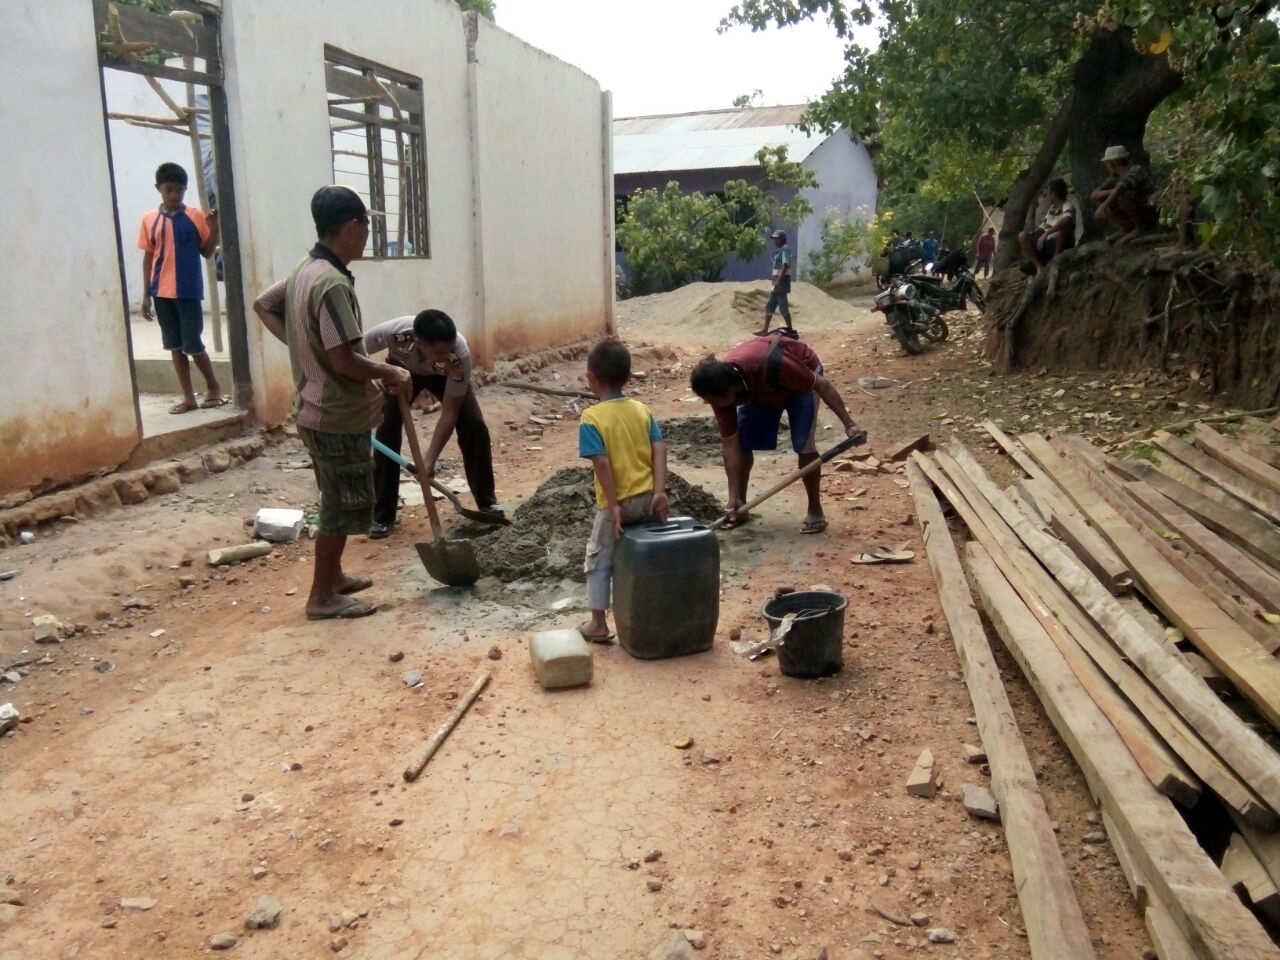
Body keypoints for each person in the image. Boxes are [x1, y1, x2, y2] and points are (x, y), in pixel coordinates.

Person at [252, 185, 412, 620]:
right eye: (365, 225)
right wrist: (389, 371)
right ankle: (321, 596)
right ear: (351, 227)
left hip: (313, 408)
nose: (366, 234)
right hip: (334, 415)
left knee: (335, 496)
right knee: (338, 506)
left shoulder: (306, 269)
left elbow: (263, 304)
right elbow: (344, 359)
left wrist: (303, 347)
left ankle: (335, 577)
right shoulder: (332, 282)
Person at [690, 334, 866, 535]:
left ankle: (815, 510)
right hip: (761, 389)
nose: (709, 405)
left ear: (731, 391)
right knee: (743, 443)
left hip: (801, 379)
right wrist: (733, 496)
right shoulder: (719, 393)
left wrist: (850, 425)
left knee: (803, 443)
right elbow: (730, 445)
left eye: (711, 400)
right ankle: (741, 507)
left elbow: (821, 384)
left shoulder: (776, 364)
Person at [363, 310, 501, 539]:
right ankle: (382, 516)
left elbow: (450, 412)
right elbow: (356, 353)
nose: (444, 356)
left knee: (474, 424)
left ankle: (487, 502)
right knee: (387, 429)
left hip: (443, 376)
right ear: (419, 343)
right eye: (437, 352)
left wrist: (429, 461)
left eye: (447, 351)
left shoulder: (458, 355)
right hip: (402, 370)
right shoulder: (392, 333)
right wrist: (374, 385)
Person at [578, 339, 669, 642]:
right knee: (649, 558)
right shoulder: (642, 410)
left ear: (590, 378)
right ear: (628, 378)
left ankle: (598, 625)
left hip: (618, 506)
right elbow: (659, 448)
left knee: (599, 561)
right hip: (648, 498)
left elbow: (601, 464)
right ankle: (654, 614)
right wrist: (659, 491)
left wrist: (615, 505)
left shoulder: (591, 418)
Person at [137, 162, 224, 414]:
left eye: (179, 190)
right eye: (169, 190)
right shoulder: (150, 220)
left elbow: (207, 252)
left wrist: (215, 228)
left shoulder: (196, 217)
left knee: (193, 344)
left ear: (185, 190)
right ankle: (188, 397)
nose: (174, 195)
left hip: (187, 292)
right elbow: (148, 257)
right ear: (159, 190)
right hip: (161, 293)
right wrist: (146, 294)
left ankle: (214, 388)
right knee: (174, 347)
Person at [1090, 145, 1158, 242]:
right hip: (1136, 212)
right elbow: (1094, 195)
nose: (1106, 167)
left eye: (1107, 164)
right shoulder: (1114, 178)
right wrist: (1110, 192)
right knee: (1105, 197)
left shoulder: (1136, 170)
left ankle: (1139, 227)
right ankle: (1124, 228)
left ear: (1112, 164)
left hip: (1150, 210)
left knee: (1124, 195)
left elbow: (1121, 188)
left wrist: (1104, 205)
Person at [1018, 178, 1076, 275]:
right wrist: (1033, 234)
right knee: (1022, 235)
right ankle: (1038, 267)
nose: (1048, 195)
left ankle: (1055, 262)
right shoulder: (1051, 209)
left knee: (1062, 231)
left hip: (1060, 244)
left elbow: (1067, 220)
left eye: (1049, 192)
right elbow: (1043, 226)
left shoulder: (1067, 205)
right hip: (1046, 244)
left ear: (1054, 194)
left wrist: (1047, 233)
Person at [757, 229, 795, 337]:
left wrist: (778, 280)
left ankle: (791, 331)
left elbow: (785, 264)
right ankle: (765, 330)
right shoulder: (779, 251)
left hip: (781, 284)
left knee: (783, 308)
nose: (775, 241)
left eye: (777, 239)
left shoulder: (785, 250)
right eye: (774, 239)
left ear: (782, 239)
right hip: (776, 284)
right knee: (769, 306)